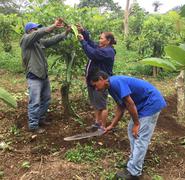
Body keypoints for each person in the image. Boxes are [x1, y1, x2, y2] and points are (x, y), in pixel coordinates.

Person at [90, 71, 167, 179]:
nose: (96, 89)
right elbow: (121, 107)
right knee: (131, 131)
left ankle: (134, 172)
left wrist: (136, 123)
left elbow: (129, 103)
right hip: (142, 105)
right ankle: (133, 161)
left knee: (140, 137)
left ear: (101, 79)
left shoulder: (116, 82)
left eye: (95, 85)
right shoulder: (111, 87)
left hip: (151, 103)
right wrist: (112, 125)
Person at [20, 18, 71, 133]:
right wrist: (53, 26)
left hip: (43, 76)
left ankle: (41, 119)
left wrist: (66, 32)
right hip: (34, 76)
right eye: (35, 29)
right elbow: (40, 33)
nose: (37, 30)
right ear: (29, 31)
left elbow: (53, 39)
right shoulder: (25, 40)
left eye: (37, 28)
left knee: (46, 99)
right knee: (35, 101)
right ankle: (33, 125)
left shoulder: (39, 42)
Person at [77, 24, 116, 130]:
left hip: (101, 82)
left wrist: (82, 42)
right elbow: (91, 44)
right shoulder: (102, 47)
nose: (99, 40)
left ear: (108, 41)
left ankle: (102, 127)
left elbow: (92, 53)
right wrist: (83, 32)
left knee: (102, 105)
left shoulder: (108, 51)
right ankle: (97, 123)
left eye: (101, 38)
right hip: (93, 81)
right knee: (95, 103)